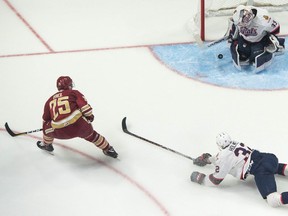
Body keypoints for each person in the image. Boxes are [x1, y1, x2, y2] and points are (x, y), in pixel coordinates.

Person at [190, 132, 288, 207]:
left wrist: (202, 179)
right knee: (274, 168)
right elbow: (228, 157)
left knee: (272, 200)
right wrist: (209, 159)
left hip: (261, 169)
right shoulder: (235, 143)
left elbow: (216, 180)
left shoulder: (223, 158)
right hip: (268, 158)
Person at [36, 76, 118, 158]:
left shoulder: (49, 100)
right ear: (69, 85)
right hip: (79, 127)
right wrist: (89, 117)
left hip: (59, 131)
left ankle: (47, 145)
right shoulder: (74, 93)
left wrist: (49, 127)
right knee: (92, 135)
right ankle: (108, 149)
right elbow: (86, 109)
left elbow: (45, 120)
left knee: (46, 127)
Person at [227, 5, 285, 72]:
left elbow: (276, 29)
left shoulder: (263, 19)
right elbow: (234, 26)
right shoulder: (238, 18)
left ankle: (278, 44)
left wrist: (271, 38)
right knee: (242, 57)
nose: (247, 18)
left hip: (260, 41)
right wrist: (232, 36)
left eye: (247, 17)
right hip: (244, 39)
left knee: (255, 57)